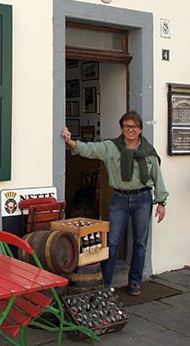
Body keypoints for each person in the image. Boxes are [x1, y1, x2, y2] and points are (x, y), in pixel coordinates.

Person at [61, 110, 168, 296]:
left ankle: (134, 281)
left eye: (134, 126)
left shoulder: (148, 152)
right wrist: (71, 142)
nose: (130, 130)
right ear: (122, 128)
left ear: (140, 129)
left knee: (140, 242)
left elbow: (157, 177)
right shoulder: (111, 147)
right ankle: (106, 283)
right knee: (112, 242)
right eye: (127, 126)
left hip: (143, 199)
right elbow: (90, 149)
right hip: (120, 198)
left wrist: (161, 202)